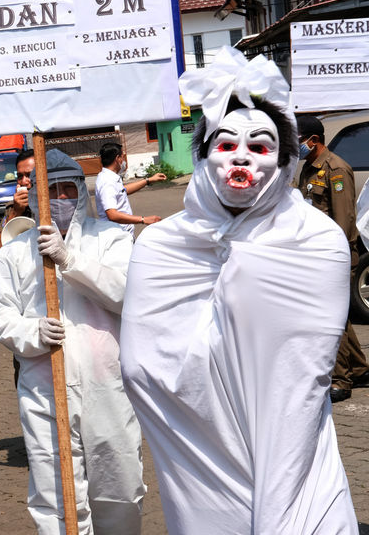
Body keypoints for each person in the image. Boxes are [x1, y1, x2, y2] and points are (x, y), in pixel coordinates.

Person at [120, 47, 358, 534]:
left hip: (296, 453)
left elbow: (301, 369)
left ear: (286, 159)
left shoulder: (315, 240)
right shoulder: (162, 246)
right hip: (201, 459)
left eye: (261, 146)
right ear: (204, 156)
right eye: (226, 146)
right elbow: (142, 367)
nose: (242, 158)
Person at [0, 149, 146, 535]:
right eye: (49, 191)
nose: (59, 200)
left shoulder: (110, 239)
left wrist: (70, 261)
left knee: (119, 485)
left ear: (81, 190)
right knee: (55, 494)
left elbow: (128, 295)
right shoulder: (14, 254)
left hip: (106, 385)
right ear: (35, 196)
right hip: (44, 390)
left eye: (67, 190)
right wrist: (31, 332)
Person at [294, 114, 368, 403]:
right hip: (316, 254)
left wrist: (336, 257)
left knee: (329, 317)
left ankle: (341, 379)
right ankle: (360, 369)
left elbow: (344, 220)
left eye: (300, 140)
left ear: (314, 141)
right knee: (340, 315)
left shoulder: (336, 169)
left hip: (332, 256)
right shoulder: (309, 168)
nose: (297, 145)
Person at [94, 142, 166, 234]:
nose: (124, 160)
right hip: (117, 236)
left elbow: (123, 191)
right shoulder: (107, 182)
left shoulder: (111, 177)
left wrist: (149, 180)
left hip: (123, 233)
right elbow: (112, 214)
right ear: (117, 158)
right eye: (122, 157)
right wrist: (143, 219)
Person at [0, 149, 36, 251]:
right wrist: (15, 213)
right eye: (20, 176)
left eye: (29, 175)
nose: (24, 181)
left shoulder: (55, 202)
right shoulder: (13, 207)